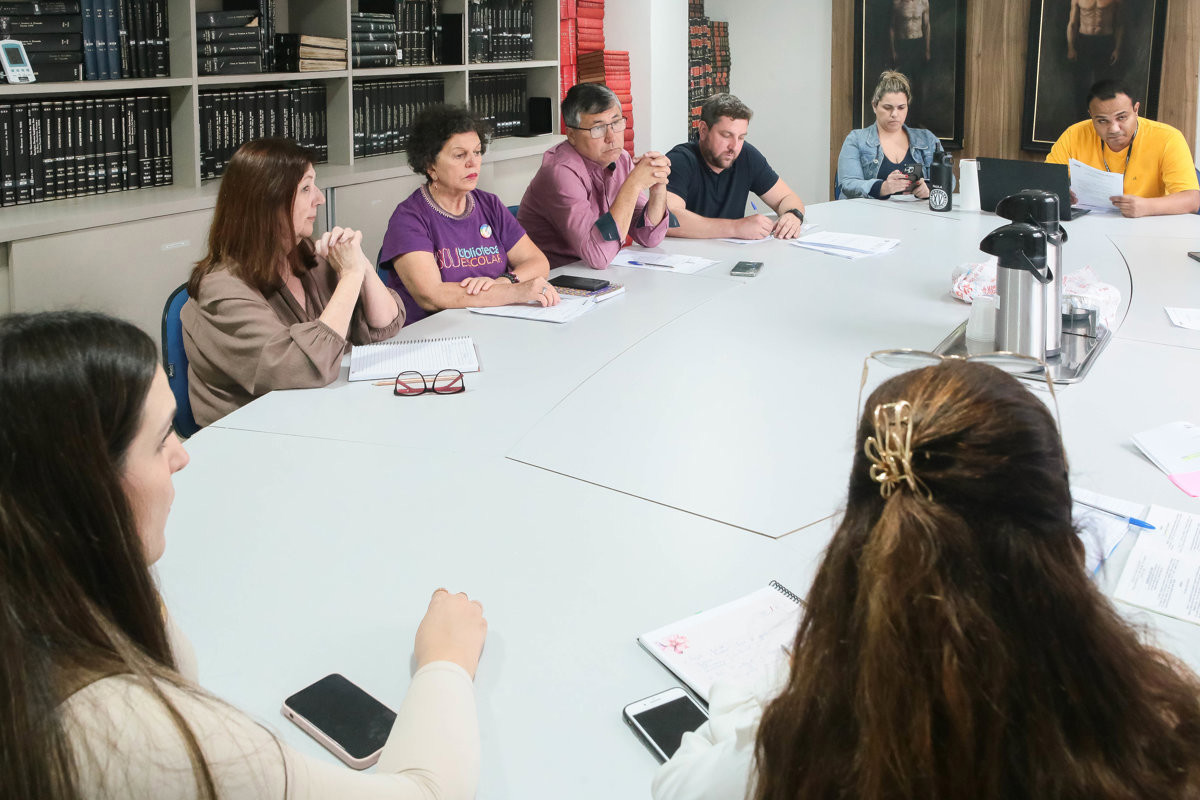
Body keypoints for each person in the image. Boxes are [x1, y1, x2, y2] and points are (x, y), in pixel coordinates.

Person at [652, 359, 1200, 800]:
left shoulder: (789, 763)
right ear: (1067, 551)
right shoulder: (1165, 738)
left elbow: (677, 782)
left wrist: (785, 687)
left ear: (859, 549)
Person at [0, 310, 489, 799]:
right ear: (81, 491)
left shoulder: (42, 589)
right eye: (161, 438)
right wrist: (446, 663)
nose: (182, 455)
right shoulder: (129, 736)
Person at [182, 138, 404, 427]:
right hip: (251, 444)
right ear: (268, 202)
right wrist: (349, 277)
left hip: (313, 424)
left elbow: (385, 324)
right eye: (306, 188)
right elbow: (305, 367)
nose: (320, 198)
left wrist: (359, 263)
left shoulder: (303, 257)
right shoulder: (220, 290)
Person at [379, 104, 560, 325]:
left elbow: (538, 263)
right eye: (459, 155)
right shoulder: (408, 218)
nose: (472, 162)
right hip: (432, 334)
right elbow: (432, 296)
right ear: (430, 165)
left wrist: (505, 281)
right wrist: (513, 292)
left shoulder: (489, 204)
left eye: (476, 152)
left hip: (492, 323)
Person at [518, 82, 672, 268]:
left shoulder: (621, 158)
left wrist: (658, 186)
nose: (611, 137)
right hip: (555, 279)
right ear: (571, 135)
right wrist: (634, 184)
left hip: (594, 275)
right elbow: (598, 256)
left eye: (616, 123)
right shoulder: (560, 171)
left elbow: (650, 237)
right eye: (598, 128)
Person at [1046, 79, 1200, 217]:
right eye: (1102, 121)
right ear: (1091, 115)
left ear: (1136, 109)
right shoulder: (1074, 134)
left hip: (1149, 225)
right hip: (1090, 223)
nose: (1113, 129)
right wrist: (1059, 195)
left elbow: (1191, 200)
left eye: (1121, 117)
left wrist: (1147, 206)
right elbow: (1045, 184)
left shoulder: (1168, 138)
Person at [664, 93, 807, 240]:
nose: (734, 146)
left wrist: (792, 215)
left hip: (733, 255)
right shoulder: (680, 160)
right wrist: (736, 228)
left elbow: (787, 197)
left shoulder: (747, 156)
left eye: (741, 137)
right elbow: (668, 218)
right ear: (703, 130)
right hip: (686, 256)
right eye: (726, 135)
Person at [838, 70, 942, 200]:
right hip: (867, 216)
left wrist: (929, 188)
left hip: (917, 216)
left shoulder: (928, 139)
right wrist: (883, 187)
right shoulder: (856, 139)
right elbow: (848, 184)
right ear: (874, 106)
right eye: (887, 108)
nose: (894, 114)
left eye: (901, 108)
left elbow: (948, 180)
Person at [1067, 0, 1123, 102]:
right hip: (1084, 41)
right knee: (1082, 81)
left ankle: (1102, 115)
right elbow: (1072, 24)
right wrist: (1071, 47)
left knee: (1103, 83)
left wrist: (1117, 49)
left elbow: (1119, 24)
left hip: (1105, 41)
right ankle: (1081, 115)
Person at [889, 0, 930, 114]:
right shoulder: (897, 3)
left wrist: (927, 49)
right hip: (903, 45)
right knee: (903, 83)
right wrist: (893, 50)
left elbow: (926, 26)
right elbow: (892, 28)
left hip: (918, 44)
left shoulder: (923, 2)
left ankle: (916, 118)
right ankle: (902, 118)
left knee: (918, 83)